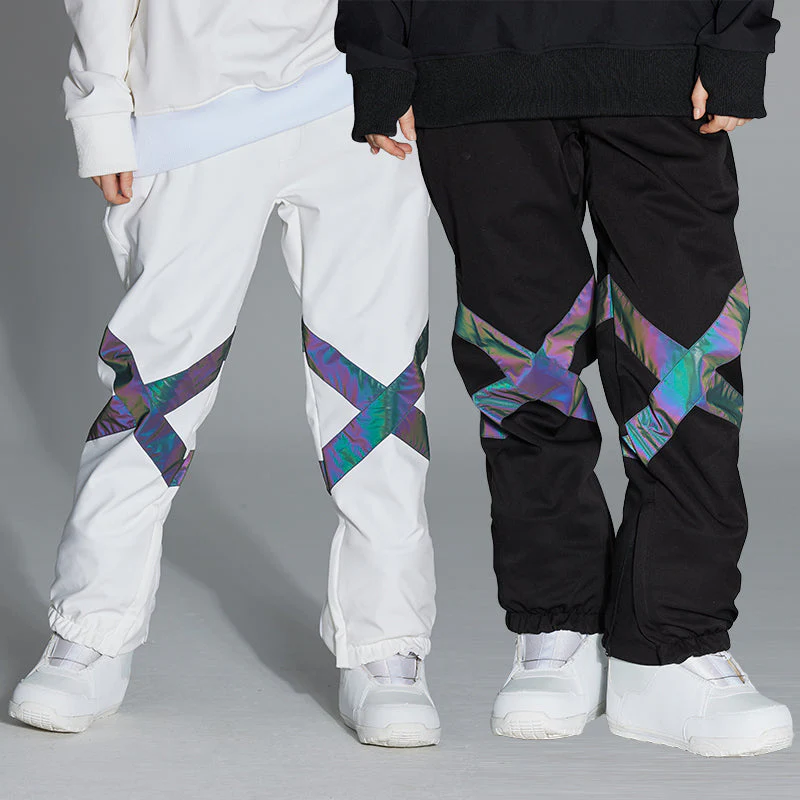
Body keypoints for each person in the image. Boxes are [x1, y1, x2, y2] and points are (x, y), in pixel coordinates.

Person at [336, 0, 793, 757]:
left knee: (686, 363)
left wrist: (739, 37)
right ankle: (557, 625)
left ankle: (672, 643)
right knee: (522, 363)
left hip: (660, 49)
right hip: (472, 54)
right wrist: (379, 52)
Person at [9, 0, 441, 748]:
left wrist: (419, 63)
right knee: (154, 390)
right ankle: (91, 628)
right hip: (192, 97)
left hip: (357, 84)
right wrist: (100, 104)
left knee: (379, 387)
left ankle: (387, 641)